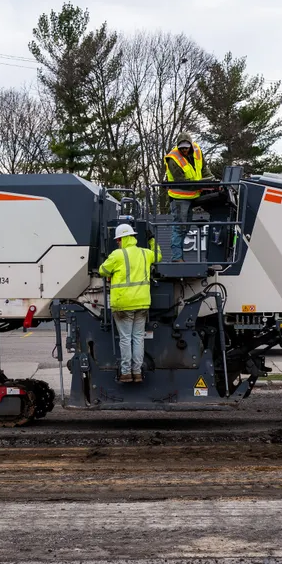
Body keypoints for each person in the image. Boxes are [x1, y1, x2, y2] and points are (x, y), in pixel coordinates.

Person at [99, 223, 160, 383]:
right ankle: (137, 372)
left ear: (121, 239)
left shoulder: (117, 255)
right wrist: (152, 239)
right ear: (132, 237)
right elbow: (158, 255)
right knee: (138, 337)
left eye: (118, 240)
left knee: (125, 338)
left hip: (123, 304)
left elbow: (102, 270)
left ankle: (126, 373)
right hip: (142, 304)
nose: (117, 242)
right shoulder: (145, 253)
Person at [164, 134, 212, 262]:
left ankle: (178, 257)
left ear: (191, 145)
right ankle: (176, 258)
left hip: (193, 195)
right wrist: (202, 184)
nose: (184, 150)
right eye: (181, 148)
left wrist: (211, 180)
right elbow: (182, 182)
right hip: (179, 197)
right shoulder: (173, 159)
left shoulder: (197, 151)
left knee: (186, 226)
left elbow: (204, 168)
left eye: (186, 147)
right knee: (179, 226)